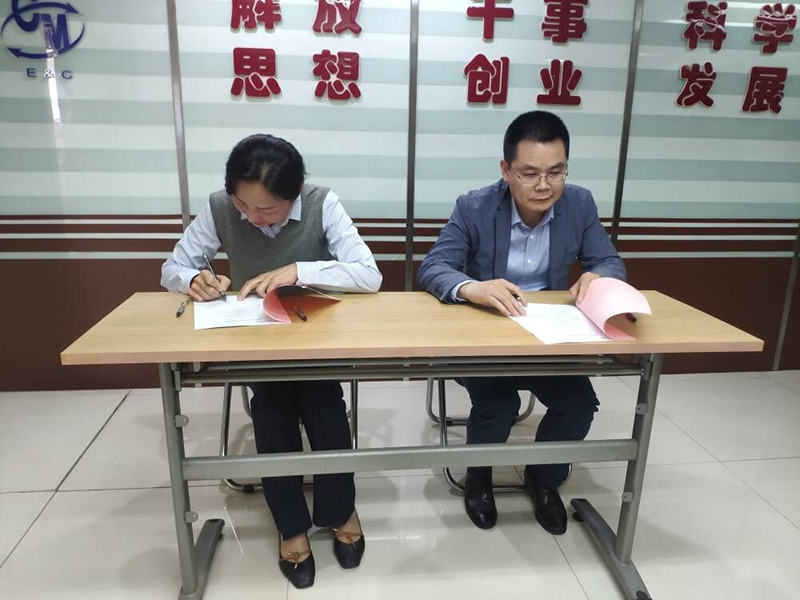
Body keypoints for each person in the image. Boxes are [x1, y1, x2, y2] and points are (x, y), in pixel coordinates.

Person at [161, 133, 382, 588]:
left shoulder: (322, 203)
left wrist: (300, 270)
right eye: (242, 204)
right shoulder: (220, 206)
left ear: (295, 192)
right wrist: (192, 279)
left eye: (266, 209)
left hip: (315, 338)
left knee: (325, 408)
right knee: (272, 412)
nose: (250, 216)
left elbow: (369, 274)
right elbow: (173, 267)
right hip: (258, 343)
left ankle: (340, 510)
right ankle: (290, 524)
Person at [417, 110, 625, 535]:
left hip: (548, 334)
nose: (544, 185)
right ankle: (479, 476)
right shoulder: (474, 206)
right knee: (498, 406)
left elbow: (608, 261)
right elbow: (434, 267)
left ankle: (543, 478)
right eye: (529, 174)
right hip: (485, 334)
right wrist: (472, 288)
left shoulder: (579, 204)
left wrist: (598, 275)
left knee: (578, 405)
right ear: (506, 169)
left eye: (556, 172)